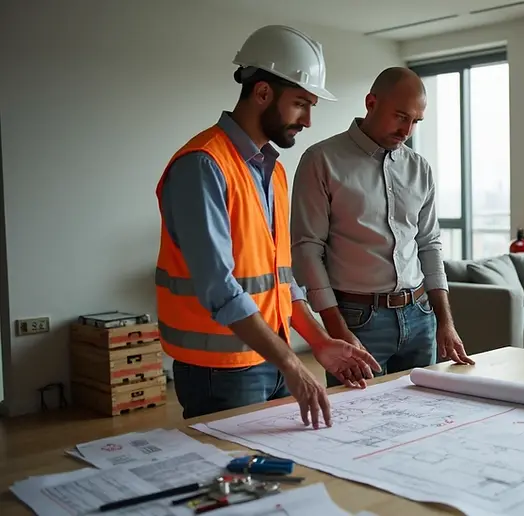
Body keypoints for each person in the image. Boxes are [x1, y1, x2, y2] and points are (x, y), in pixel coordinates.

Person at [155, 25, 381, 428]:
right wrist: (293, 363)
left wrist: (318, 344)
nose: (308, 120)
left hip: (271, 357)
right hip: (221, 370)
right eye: (299, 104)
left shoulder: (272, 170)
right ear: (261, 93)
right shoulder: (202, 165)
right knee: (233, 481)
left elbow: (280, 280)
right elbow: (219, 288)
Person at [291, 66, 475, 388]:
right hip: (358, 320)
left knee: (422, 419)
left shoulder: (419, 169)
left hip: (420, 317)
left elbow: (429, 245)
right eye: (400, 116)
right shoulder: (321, 160)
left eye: (416, 121)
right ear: (371, 102)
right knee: (357, 425)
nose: (407, 130)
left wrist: (445, 322)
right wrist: (336, 328)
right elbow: (307, 251)